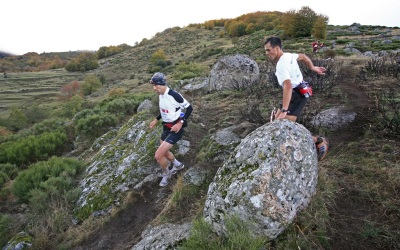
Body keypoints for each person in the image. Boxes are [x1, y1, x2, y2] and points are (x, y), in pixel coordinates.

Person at [264, 36, 329, 161]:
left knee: (286, 128)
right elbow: (303, 56)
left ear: (276, 48)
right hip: (295, 92)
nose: (266, 53)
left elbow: (287, 86)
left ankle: (318, 141)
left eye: (268, 50)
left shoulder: (281, 65)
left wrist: (284, 110)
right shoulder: (288, 55)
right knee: (275, 125)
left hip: (296, 95)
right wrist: (313, 67)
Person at [149, 72, 193, 186]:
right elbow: (164, 110)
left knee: (158, 155)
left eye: (156, 86)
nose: (154, 88)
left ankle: (167, 173)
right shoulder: (161, 95)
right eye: (153, 86)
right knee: (166, 153)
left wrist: (180, 123)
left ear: (162, 84)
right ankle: (178, 165)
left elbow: (189, 108)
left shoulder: (174, 95)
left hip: (176, 129)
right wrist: (156, 119)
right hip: (166, 127)